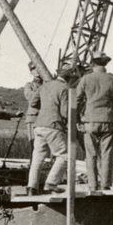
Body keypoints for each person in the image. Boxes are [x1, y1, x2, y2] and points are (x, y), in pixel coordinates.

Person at [76, 52, 113, 194]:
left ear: (93, 63)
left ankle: (92, 185)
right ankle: (105, 184)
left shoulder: (86, 79)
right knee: (107, 153)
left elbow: (77, 100)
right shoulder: (112, 79)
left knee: (91, 153)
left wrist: (79, 118)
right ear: (105, 64)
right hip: (108, 120)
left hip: (90, 120)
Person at [27, 65, 77, 194]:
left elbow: (33, 103)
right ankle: (51, 182)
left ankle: (31, 187)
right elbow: (65, 113)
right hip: (53, 126)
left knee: (37, 158)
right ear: (69, 77)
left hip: (38, 126)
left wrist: (45, 109)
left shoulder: (44, 86)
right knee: (65, 156)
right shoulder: (65, 88)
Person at [23, 63, 43, 143]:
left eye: (38, 68)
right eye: (34, 69)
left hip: (45, 118)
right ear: (31, 72)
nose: (37, 70)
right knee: (34, 145)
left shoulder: (47, 84)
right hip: (33, 118)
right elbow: (32, 101)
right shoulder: (29, 86)